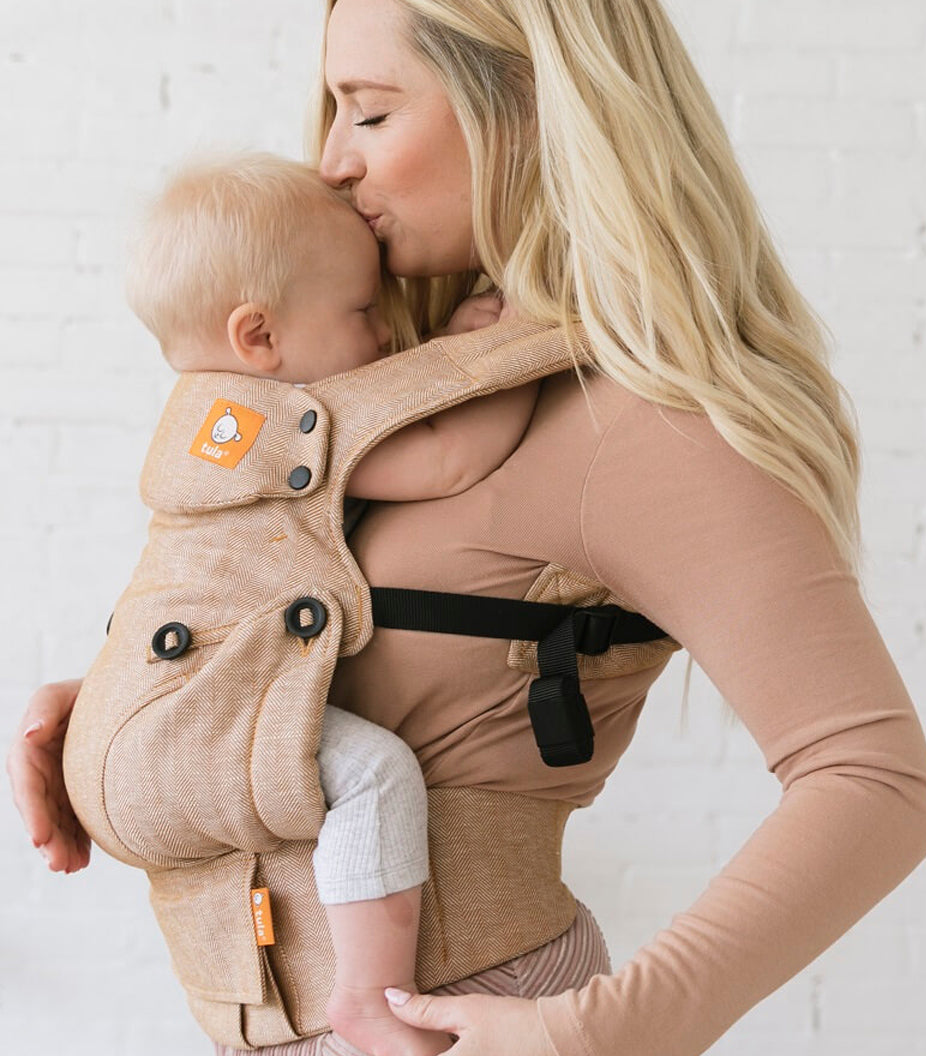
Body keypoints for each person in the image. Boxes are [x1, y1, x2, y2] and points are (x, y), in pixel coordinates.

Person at [7, 1, 926, 1055]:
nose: (330, 165)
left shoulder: (647, 419)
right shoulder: (390, 393)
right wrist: (152, 707)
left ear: (529, 105)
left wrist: (597, 1035)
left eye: (367, 113)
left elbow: (874, 785)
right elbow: (384, 663)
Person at [71, 149, 540, 1056]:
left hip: (132, 728)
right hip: (184, 723)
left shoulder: (208, 419)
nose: (382, 341)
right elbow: (445, 456)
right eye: (364, 312)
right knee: (373, 775)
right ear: (260, 337)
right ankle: (365, 994)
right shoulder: (271, 422)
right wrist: (498, 351)